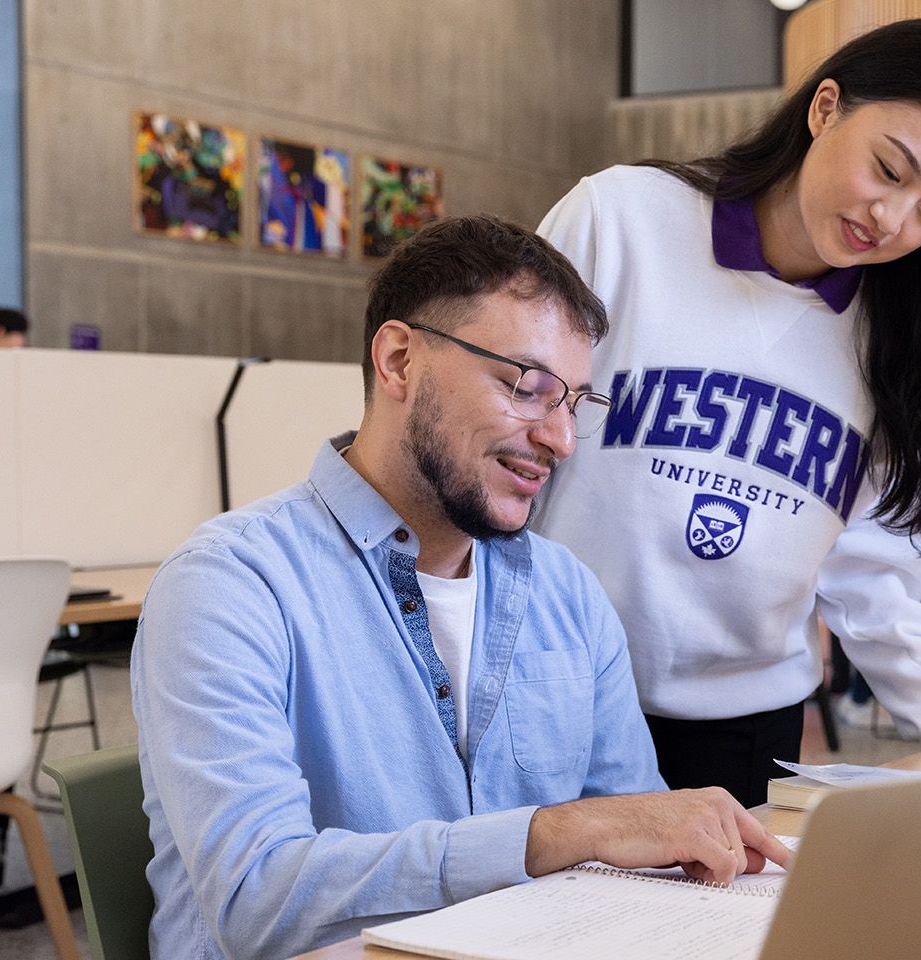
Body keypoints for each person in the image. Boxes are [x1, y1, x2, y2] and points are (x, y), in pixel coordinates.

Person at [131, 216, 791, 960]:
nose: (561, 439)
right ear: (400, 362)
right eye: (528, 387)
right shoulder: (230, 585)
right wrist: (560, 831)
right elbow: (258, 899)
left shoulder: (566, 593)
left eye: (574, 402)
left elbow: (637, 843)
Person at [534, 18, 921, 804]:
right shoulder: (621, 221)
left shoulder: (902, 347)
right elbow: (507, 439)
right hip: (555, 697)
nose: (893, 221)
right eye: (889, 170)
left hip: (742, 731)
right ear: (825, 107)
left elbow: (871, 576)